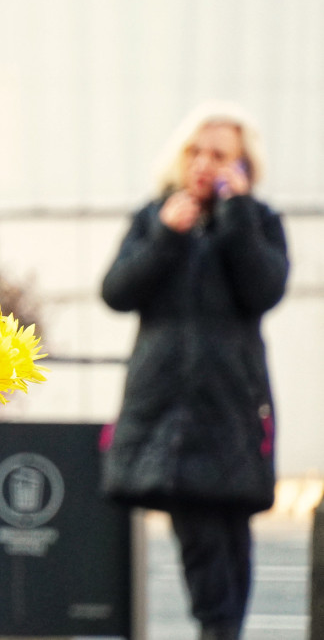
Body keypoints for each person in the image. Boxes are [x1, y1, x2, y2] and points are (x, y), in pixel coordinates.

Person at [100, 101, 289, 640]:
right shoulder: (155, 216)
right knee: (201, 530)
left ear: (244, 166)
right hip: (169, 409)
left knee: (232, 533)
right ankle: (219, 630)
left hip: (232, 404)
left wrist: (235, 215)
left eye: (220, 155)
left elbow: (265, 288)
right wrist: (165, 235)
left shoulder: (258, 221)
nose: (205, 163)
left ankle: (222, 629)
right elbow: (116, 291)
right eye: (196, 151)